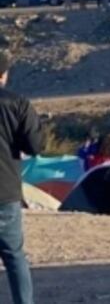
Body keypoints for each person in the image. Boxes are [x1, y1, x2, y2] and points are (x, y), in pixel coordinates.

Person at [0, 51, 43, 303]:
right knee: (14, 256)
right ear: (4, 75)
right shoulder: (18, 103)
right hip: (5, 191)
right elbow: (35, 146)